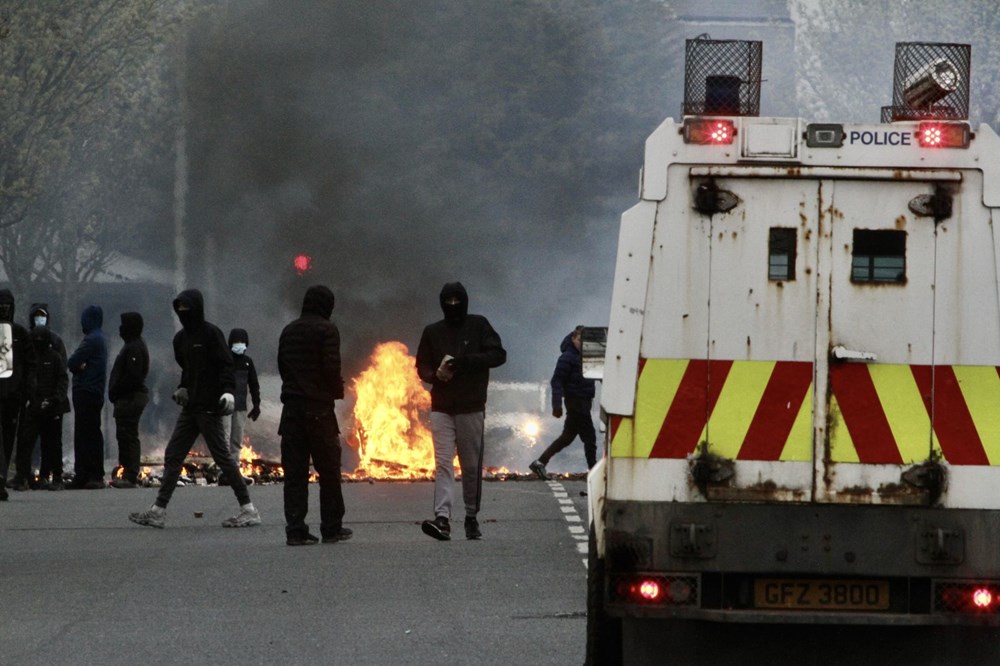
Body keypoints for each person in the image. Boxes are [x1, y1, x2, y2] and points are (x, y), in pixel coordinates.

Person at [129, 289, 260, 529]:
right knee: (173, 455)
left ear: (197, 308)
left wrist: (229, 392)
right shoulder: (181, 339)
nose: (182, 314)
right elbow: (188, 370)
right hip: (191, 408)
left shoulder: (211, 334)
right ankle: (158, 511)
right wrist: (182, 387)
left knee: (223, 458)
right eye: (179, 309)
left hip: (210, 407)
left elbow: (226, 365)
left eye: (186, 309)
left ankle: (248, 509)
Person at [416, 281, 506, 541]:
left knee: (470, 465)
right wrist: (435, 375)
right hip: (441, 407)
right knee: (443, 463)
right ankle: (442, 519)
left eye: (457, 301)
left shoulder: (479, 325)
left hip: (471, 406)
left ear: (465, 301)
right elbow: (421, 366)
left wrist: (466, 362)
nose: (453, 306)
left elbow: (499, 354)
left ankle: (471, 517)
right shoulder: (432, 332)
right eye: (448, 301)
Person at [277, 285, 349, 546]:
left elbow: (282, 366)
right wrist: (337, 390)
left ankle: (295, 530)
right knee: (328, 471)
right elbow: (331, 367)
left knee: (295, 474)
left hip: (291, 411)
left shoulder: (288, 330)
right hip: (319, 410)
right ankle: (331, 528)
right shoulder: (327, 329)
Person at [529, 326, 597, 480]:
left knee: (566, 438)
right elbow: (557, 381)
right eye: (580, 339)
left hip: (584, 401)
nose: (582, 343)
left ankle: (540, 462)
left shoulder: (587, 357)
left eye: (585, 340)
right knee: (590, 438)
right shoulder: (567, 357)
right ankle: (594, 472)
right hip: (575, 402)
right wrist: (557, 405)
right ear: (573, 338)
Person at [19, 326, 70, 491]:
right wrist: (32, 401)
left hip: (53, 407)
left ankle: (54, 477)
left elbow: (62, 380)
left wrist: (54, 399)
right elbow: (26, 382)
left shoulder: (54, 357)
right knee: (27, 443)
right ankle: (24, 477)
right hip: (34, 407)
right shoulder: (30, 359)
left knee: (52, 445)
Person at [66, 304, 108, 489]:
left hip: (86, 390)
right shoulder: (99, 339)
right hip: (94, 391)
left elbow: (73, 362)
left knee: (86, 434)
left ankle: (89, 474)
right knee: (90, 433)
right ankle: (88, 473)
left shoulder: (92, 339)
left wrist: (79, 367)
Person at [108, 312, 150, 489]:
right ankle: (127, 472)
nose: (120, 328)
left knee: (128, 436)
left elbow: (132, 377)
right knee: (124, 435)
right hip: (127, 398)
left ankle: (130, 475)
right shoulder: (132, 345)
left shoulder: (134, 348)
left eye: (123, 324)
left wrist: (116, 391)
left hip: (130, 398)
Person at [0, 289, 34, 498]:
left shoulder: (20, 334)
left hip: (13, 396)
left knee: (8, 438)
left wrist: (26, 391)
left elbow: (30, 365)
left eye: (6, 307)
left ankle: (2, 478)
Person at [219, 327, 261, 484]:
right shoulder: (225, 360)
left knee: (236, 440)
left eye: (242, 342)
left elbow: (254, 384)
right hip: (225, 406)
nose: (240, 345)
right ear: (230, 343)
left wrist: (256, 405)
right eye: (236, 342)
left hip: (241, 407)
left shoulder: (248, 362)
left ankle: (234, 472)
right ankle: (223, 471)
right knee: (224, 438)